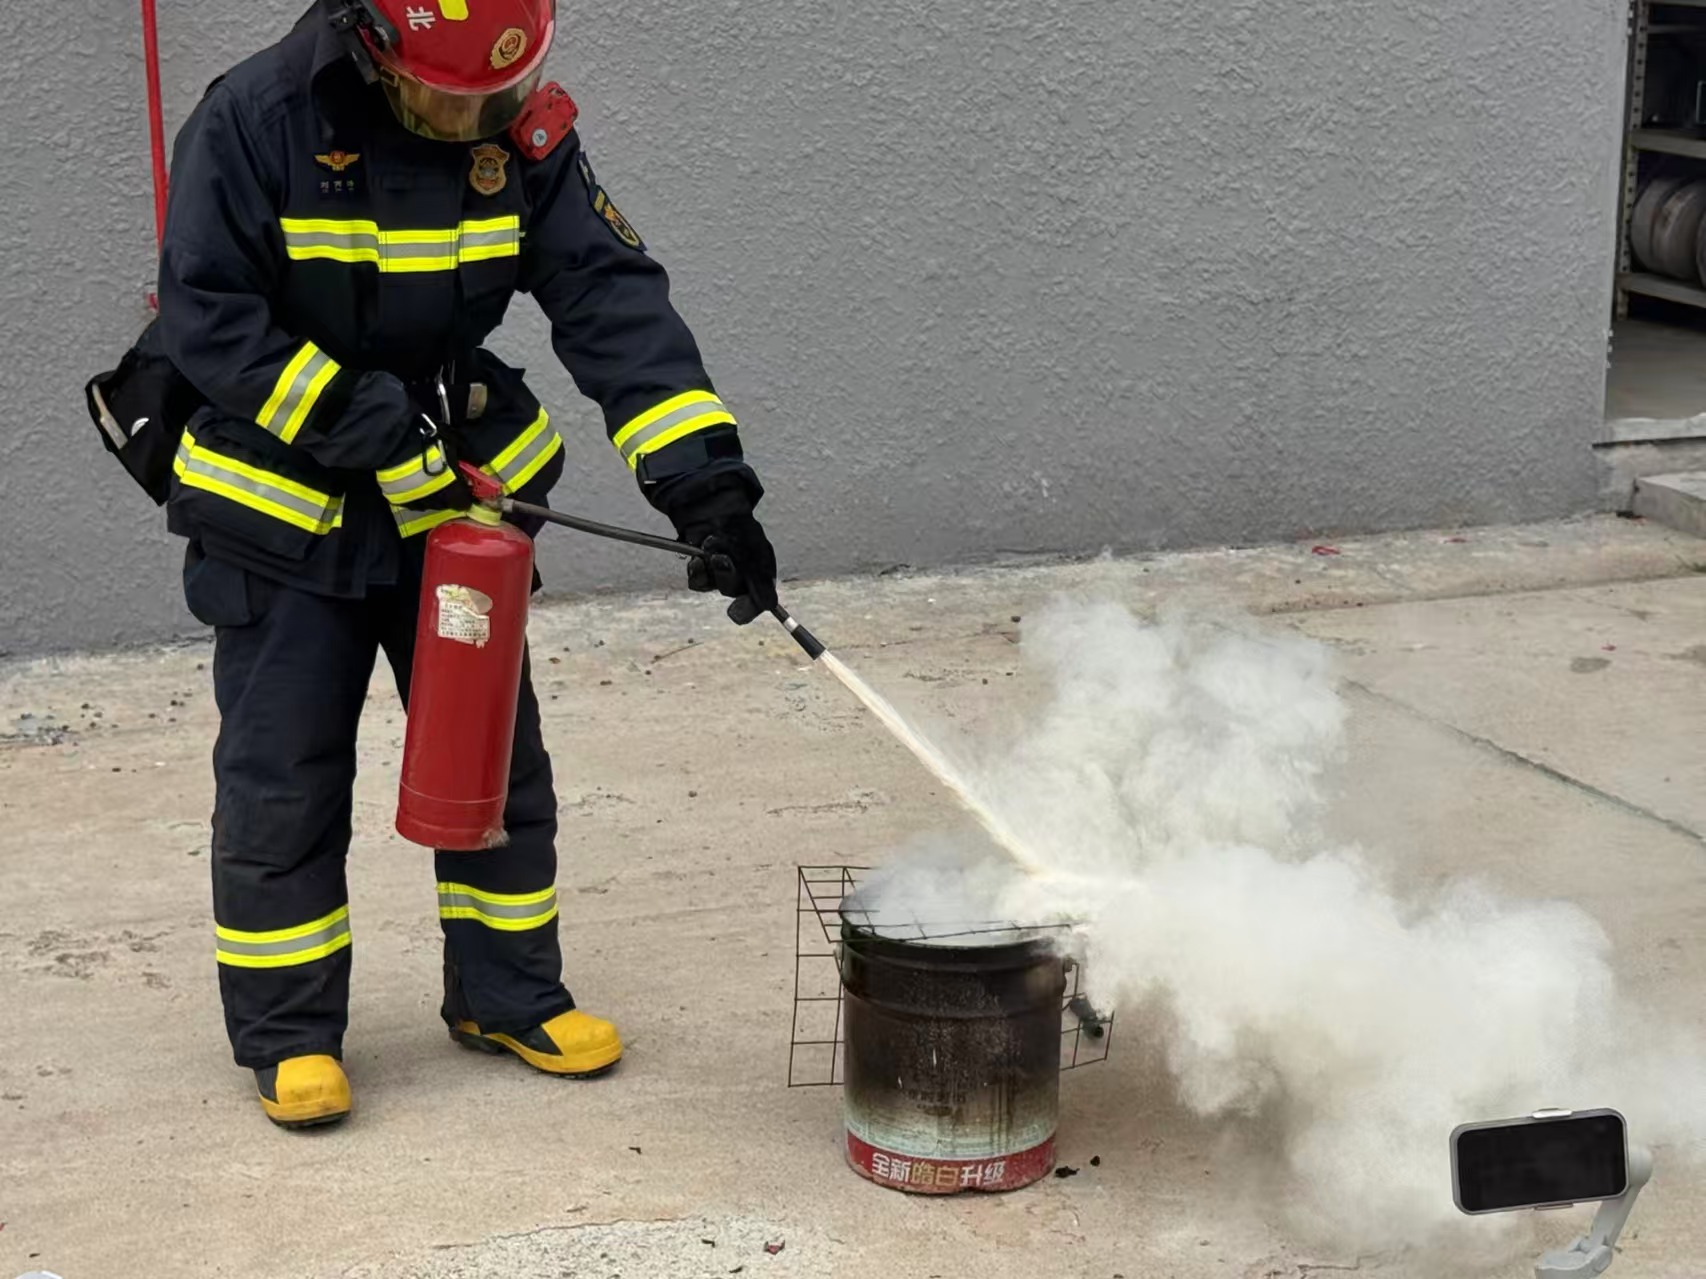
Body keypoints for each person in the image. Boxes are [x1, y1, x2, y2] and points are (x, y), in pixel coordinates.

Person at [151, 0, 778, 1129]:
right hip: (286, 517)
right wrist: (369, 425)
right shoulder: (254, 119)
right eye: (446, 101)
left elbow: (608, 296)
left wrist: (705, 483)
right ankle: (290, 1035)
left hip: (444, 513)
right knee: (283, 781)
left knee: (493, 764)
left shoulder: (514, 126)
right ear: (368, 47)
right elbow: (210, 322)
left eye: (495, 97)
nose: (474, 124)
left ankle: (506, 996)